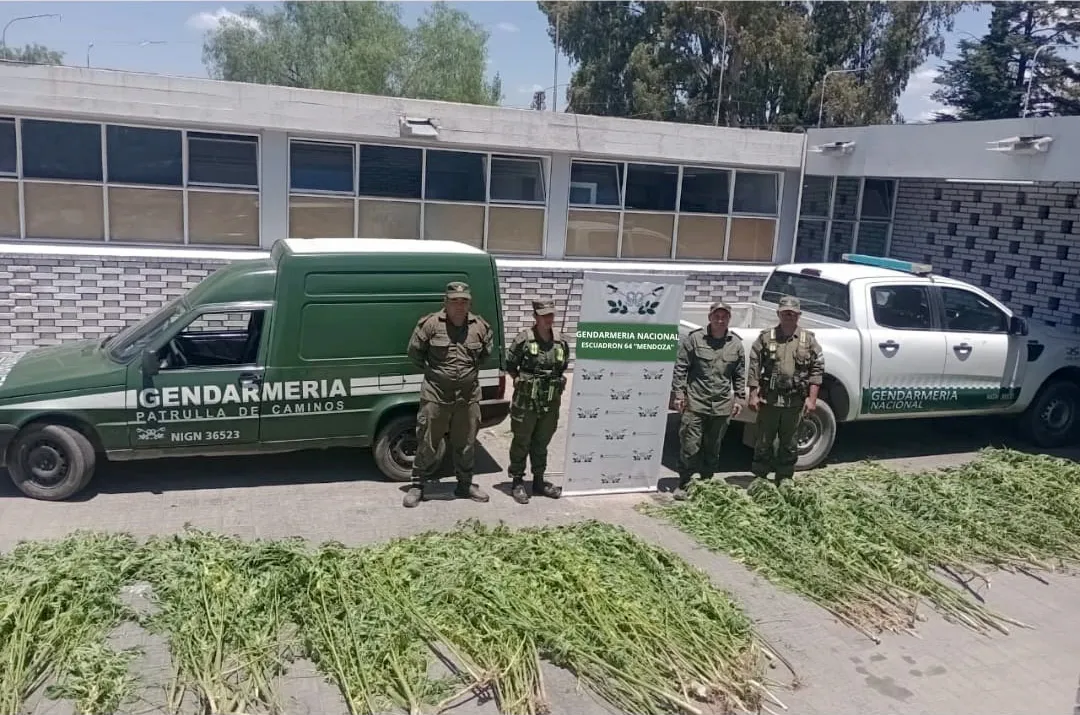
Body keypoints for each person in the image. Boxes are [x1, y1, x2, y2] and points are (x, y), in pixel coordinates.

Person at [403, 281, 493, 508]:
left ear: (469, 303)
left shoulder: (480, 327)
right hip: (436, 394)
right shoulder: (430, 324)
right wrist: (437, 375)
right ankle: (418, 484)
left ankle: (465, 484)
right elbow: (414, 354)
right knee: (427, 441)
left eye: (463, 301)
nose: (459, 306)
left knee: (466, 443)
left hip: (468, 396)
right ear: (446, 302)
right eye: (454, 301)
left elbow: (485, 356)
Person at [670, 301, 746, 500]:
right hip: (695, 403)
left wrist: (739, 398)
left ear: (729, 319)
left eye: (724, 317)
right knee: (690, 445)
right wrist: (679, 394)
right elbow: (681, 367)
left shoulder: (736, 344)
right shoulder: (694, 339)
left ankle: (706, 483)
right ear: (710, 317)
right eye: (716, 316)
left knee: (713, 448)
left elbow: (739, 374)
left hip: (721, 405)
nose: (720, 320)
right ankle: (684, 483)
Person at [746, 296, 825, 486]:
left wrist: (812, 399)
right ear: (778, 314)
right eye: (785, 313)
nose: (788, 316)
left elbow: (817, 370)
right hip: (770, 401)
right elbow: (754, 367)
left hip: (794, 402)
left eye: (792, 313)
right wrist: (753, 395)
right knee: (764, 442)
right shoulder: (766, 338)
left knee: (789, 443)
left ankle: (784, 478)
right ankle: (760, 479)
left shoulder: (809, 340)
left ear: (799, 315)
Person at [505, 299, 569, 504]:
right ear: (536, 317)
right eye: (544, 315)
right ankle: (517, 481)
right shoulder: (524, 339)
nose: (548, 319)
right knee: (522, 440)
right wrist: (519, 380)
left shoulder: (561, 341)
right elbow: (509, 363)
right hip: (527, 400)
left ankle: (539, 481)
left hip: (550, 400)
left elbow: (563, 365)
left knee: (542, 441)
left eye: (551, 315)